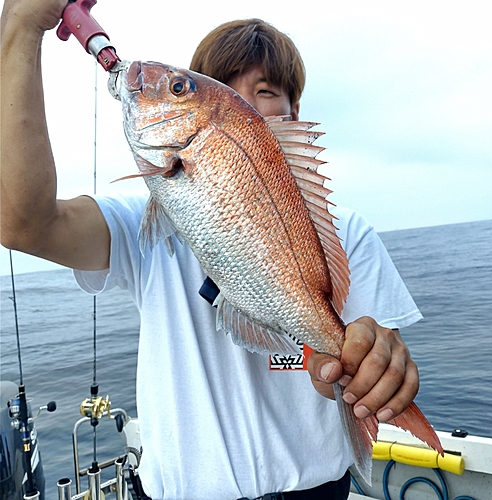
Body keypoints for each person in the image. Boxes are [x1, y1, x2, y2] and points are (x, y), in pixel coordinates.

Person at [1, 3, 422, 499]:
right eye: (217, 86)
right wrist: (21, 27)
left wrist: (367, 366)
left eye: (264, 92)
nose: (243, 105)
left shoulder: (347, 233)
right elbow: (23, 222)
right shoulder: (143, 222)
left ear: (294, 114)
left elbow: (345, 371)